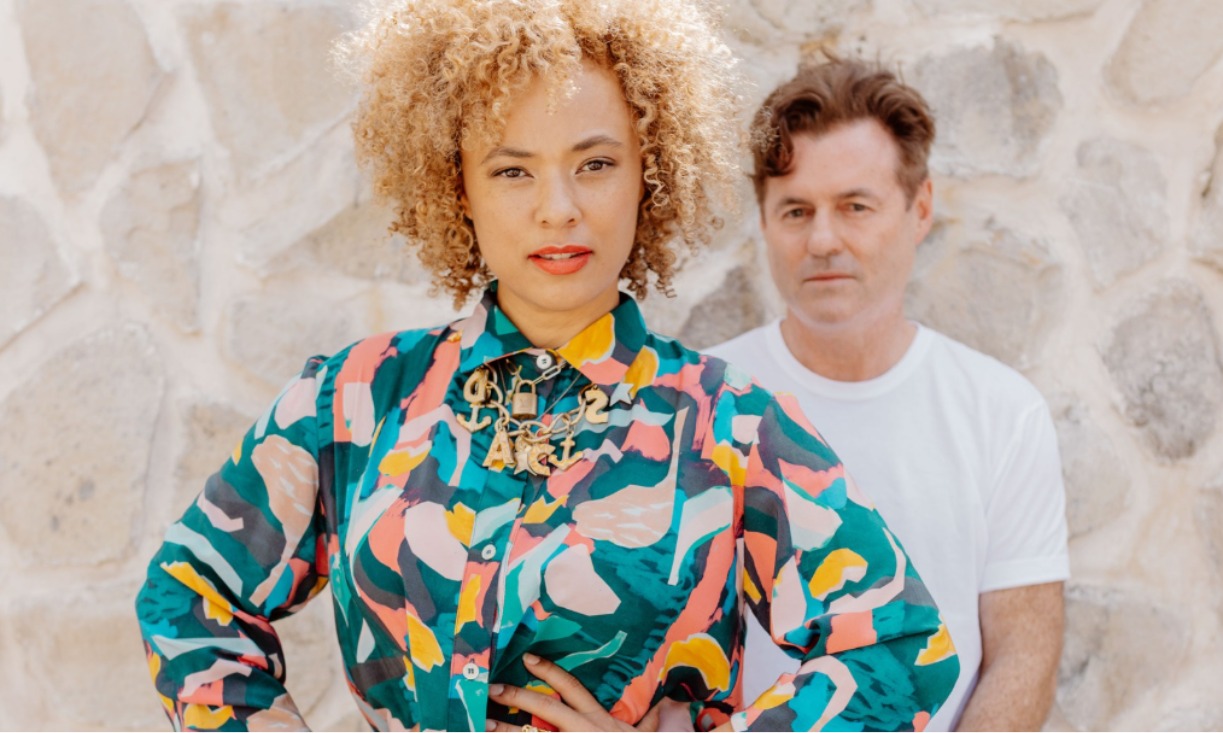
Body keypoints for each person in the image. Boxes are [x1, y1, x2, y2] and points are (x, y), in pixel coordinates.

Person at [134, 5, 959, 731]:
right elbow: (187, 595)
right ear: (458, 186)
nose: (557, 208)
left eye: (595, 163)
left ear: (649, 172)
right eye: (512, 169)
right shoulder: (353, 399)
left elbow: (900, 650)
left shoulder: (729, 424)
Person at [707, 57, 1069, 731]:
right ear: (763, 220)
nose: (822, 239)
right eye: (796, 210)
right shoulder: (698, 400)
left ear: (919, 208)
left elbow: (1023, 656)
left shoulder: (1001, 413)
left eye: (855, 206)